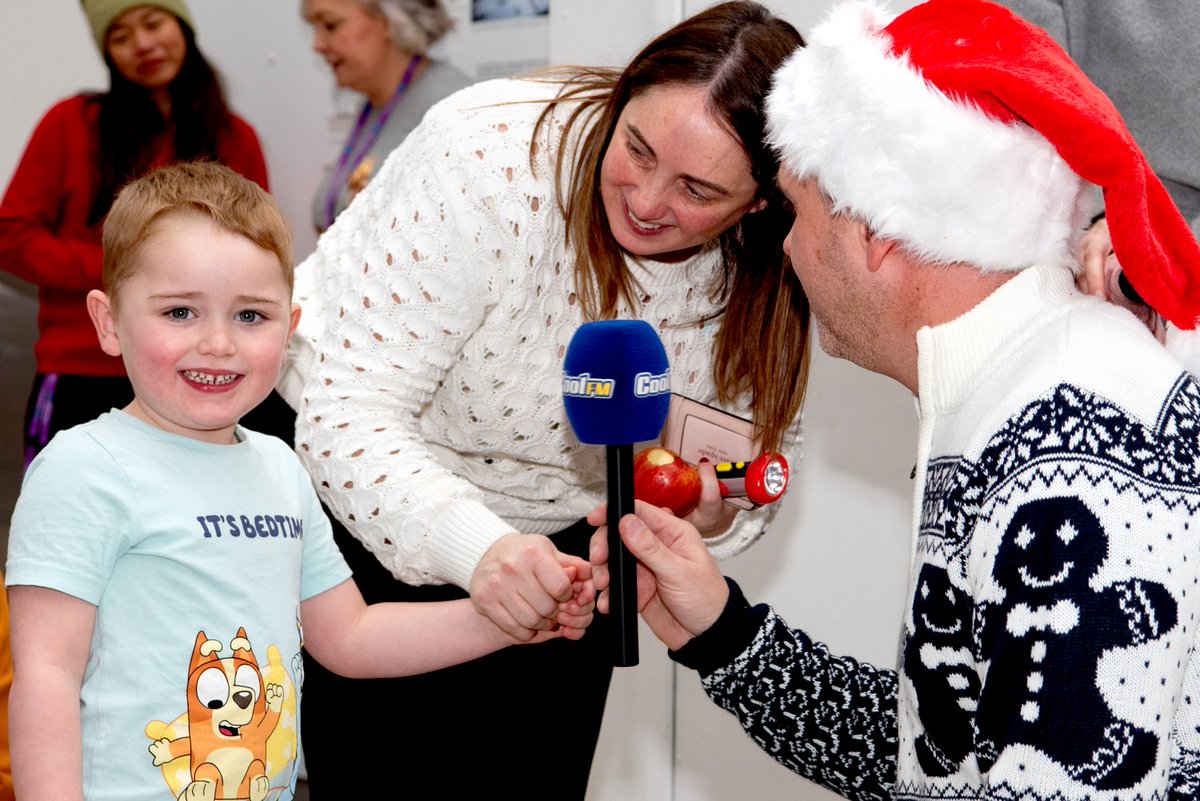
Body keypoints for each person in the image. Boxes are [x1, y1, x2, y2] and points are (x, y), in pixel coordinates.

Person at [590, 1, 1200, 799]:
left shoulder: (1068, 436)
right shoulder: (998, 391)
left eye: (798, 212)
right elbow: (943, 753)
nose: (787, 248)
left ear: (871, 227)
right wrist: (719, 633)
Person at [281, 2, 810, 797]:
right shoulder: (490, 155)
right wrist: (481, 551)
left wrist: (705, 507)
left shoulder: (776, 268)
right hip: (362, 488)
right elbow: (346, 408)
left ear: (761, 203)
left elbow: (749, 465)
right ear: (623, 97)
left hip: (563, 550)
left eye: (699, 189)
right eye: (637, 147)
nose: (648, 200)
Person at [3, 161, 593, 801]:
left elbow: (351, 636)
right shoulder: (83, 468)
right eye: (179, 311)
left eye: (251, 316)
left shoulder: (281, 465)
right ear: (109, 321)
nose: (219, 342)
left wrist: (500, 622)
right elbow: (45, 674)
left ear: (291, 327)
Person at [0, 0, 269, 467]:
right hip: (81, 370)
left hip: (198, 374)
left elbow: (257, 253)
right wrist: (121, 272)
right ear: (107, 53)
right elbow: (11, 234)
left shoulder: (234, 137)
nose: (143, 44)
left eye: (153, 23)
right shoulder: (71, 123)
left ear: (181, 26)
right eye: (120, 36)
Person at [303, 0, 472, 234]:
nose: (317, 45)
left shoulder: (454, 105)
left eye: (331, 25)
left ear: (387, 22)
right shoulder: (375, 106)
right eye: (314, 28)